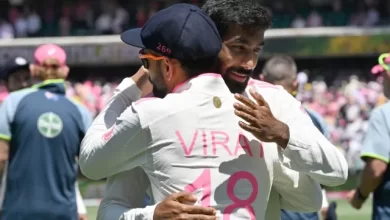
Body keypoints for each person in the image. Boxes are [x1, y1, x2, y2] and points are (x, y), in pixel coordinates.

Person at [81, 1, 347, 220]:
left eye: (256, 50)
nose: (250, 62)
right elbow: (114, 202)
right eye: (238, 48)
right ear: (207, 42)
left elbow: (318, 191)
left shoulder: (272, 102)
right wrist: (150, 216)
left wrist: (282, 137)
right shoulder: (154, 108)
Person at [0, 44, 92, 220]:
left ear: (34, 70)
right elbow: (89, 167)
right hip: (64, 211)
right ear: (65, 71)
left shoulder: (12, 103)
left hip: (17, 210)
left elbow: (1, 157)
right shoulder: (80, 111)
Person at [260, 55, 337, 220]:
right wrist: (323, 203)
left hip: (264, 208)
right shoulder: (313, 119)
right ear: (295, 83)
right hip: (304, 212)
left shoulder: (249, 114)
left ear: (261, 79)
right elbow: (323, 165)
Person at [347, 53, 390, 220]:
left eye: (381, 76)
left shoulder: (383, 114)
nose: (381, 81)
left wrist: (359, 196)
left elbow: (376, 168)